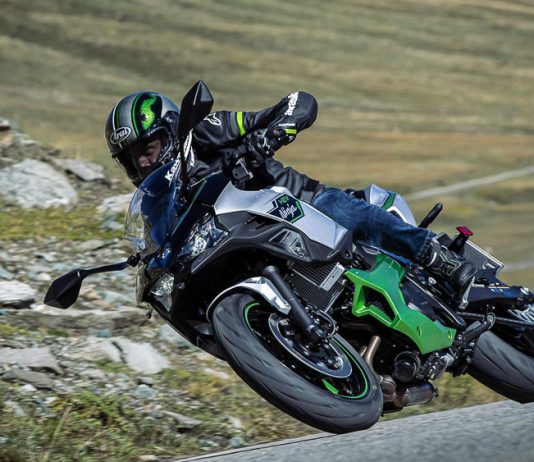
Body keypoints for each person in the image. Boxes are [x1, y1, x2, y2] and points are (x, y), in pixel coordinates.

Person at [105, 90, 476, 299]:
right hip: (240, 249)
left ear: (171, 130)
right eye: (132, 159)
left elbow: (298, 102)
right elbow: (160, 246)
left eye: (148, 148)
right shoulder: (156, 206)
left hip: (297, 205)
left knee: (345, 213)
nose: (144, 162)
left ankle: (434, 256)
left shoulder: (205, 132)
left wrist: (272, 133)